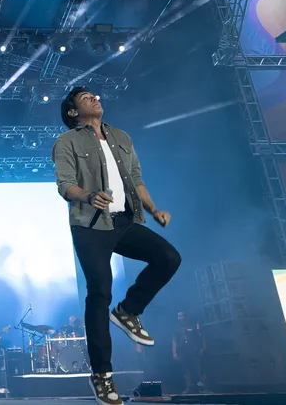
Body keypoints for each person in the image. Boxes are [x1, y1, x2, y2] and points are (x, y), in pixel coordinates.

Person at [52, 87, 182, 405]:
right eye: (86, 99)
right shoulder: (67, 142)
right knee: (100, 290)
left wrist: (152, 209)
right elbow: (65, 184)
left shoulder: (121, 137)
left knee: (168, 257)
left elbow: (136, 178)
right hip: (90, 225)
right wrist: (88, 196)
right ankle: (102, 376)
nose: (95, 99)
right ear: (73, 112)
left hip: (123, 221)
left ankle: (128, 311)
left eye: (96, 96)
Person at [173, 311, 206, 393]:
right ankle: (189, 387)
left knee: (199, 368)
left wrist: (202, 347)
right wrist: (174, 352)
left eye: (182, 316)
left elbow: (201, 336)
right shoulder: (176, 328)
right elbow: (174, 341)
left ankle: (204, 387)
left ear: (185, 316)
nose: (181, 318)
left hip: (194, 350)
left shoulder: (193, 325)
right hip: (183, 351)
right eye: (179, 316)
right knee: (186, 369)